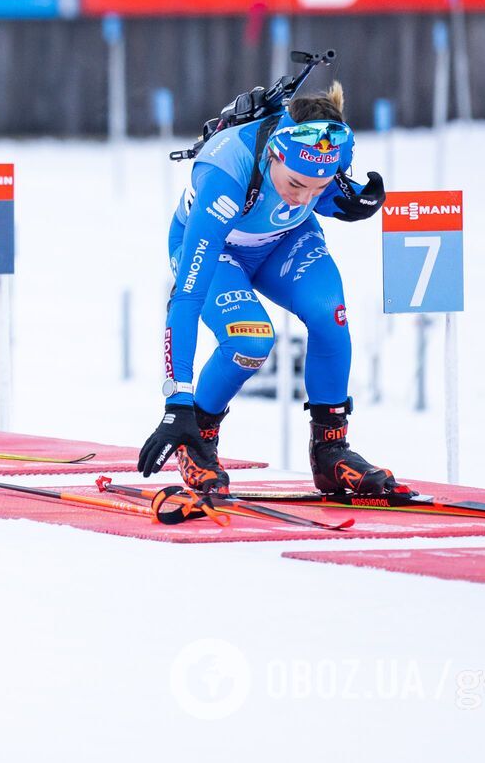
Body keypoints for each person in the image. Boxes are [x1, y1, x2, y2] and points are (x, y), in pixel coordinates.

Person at [135, 80, 390, 510]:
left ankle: (330, 449)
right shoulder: (225, 172)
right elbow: (186, 299)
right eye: (296, 184)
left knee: (331, 315)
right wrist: (176, 401)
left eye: (318, 184)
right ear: (273, 153)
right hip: (217, 250)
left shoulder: (328, 149)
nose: (305, 195)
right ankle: (197, 436)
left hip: (281, 240)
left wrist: (349, 202)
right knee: (251, 340)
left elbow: (323, 194)